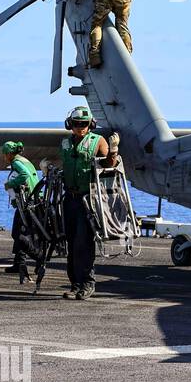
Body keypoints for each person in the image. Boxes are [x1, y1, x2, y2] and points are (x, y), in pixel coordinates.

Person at [60, 106, 117, 299]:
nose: (80, 127)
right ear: (70, 124)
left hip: (88, 200)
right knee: (70, 242)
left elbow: (109, 165)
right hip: (69, 199)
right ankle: (75, 284)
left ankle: (87, 283)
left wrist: (113, 150)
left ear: (90, 124)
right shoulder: (66, 144)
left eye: (84, 124)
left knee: (83, 243)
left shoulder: (97, 142)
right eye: (76, 124)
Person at [2, 140, 39, 282]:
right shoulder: (23, 160)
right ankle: (18, 263)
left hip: (27, 202)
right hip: (32, 200)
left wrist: (10, 184)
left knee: (18, 234)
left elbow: (25, 176)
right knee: (20, 233)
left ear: (9, 154)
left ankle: (39, 258)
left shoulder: (16, 162)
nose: (4, 157)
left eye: (5, 154)